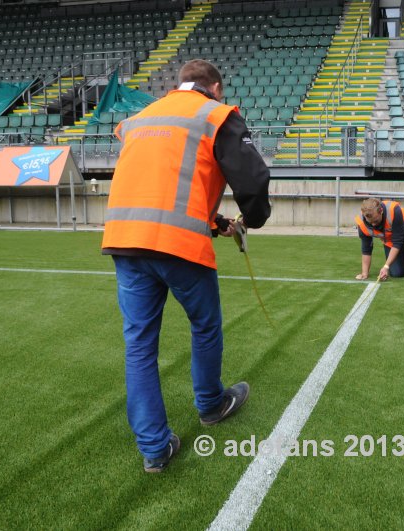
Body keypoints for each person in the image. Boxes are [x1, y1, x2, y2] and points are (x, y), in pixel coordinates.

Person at [101, 59, 271, 473]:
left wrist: (216, 222)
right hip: (177, 245)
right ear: (214, 87)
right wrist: (254, 217)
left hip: (125, 241)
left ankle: (154, 449)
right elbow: (253, 179)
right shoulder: (216, 114)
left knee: (139, 345)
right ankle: (211, 404)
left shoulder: (140, 119)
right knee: (205, 326)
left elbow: (166, 181)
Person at [354, 198, 404, 282]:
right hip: (391, 239)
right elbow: (366, 249)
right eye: (370, 222)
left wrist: (386, 266)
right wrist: (364, 273)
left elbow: (397, 242)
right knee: (397, 273)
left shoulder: (393, 209)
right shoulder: (361, 223)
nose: (373, 225)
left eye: (376, 221)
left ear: (381, 211)